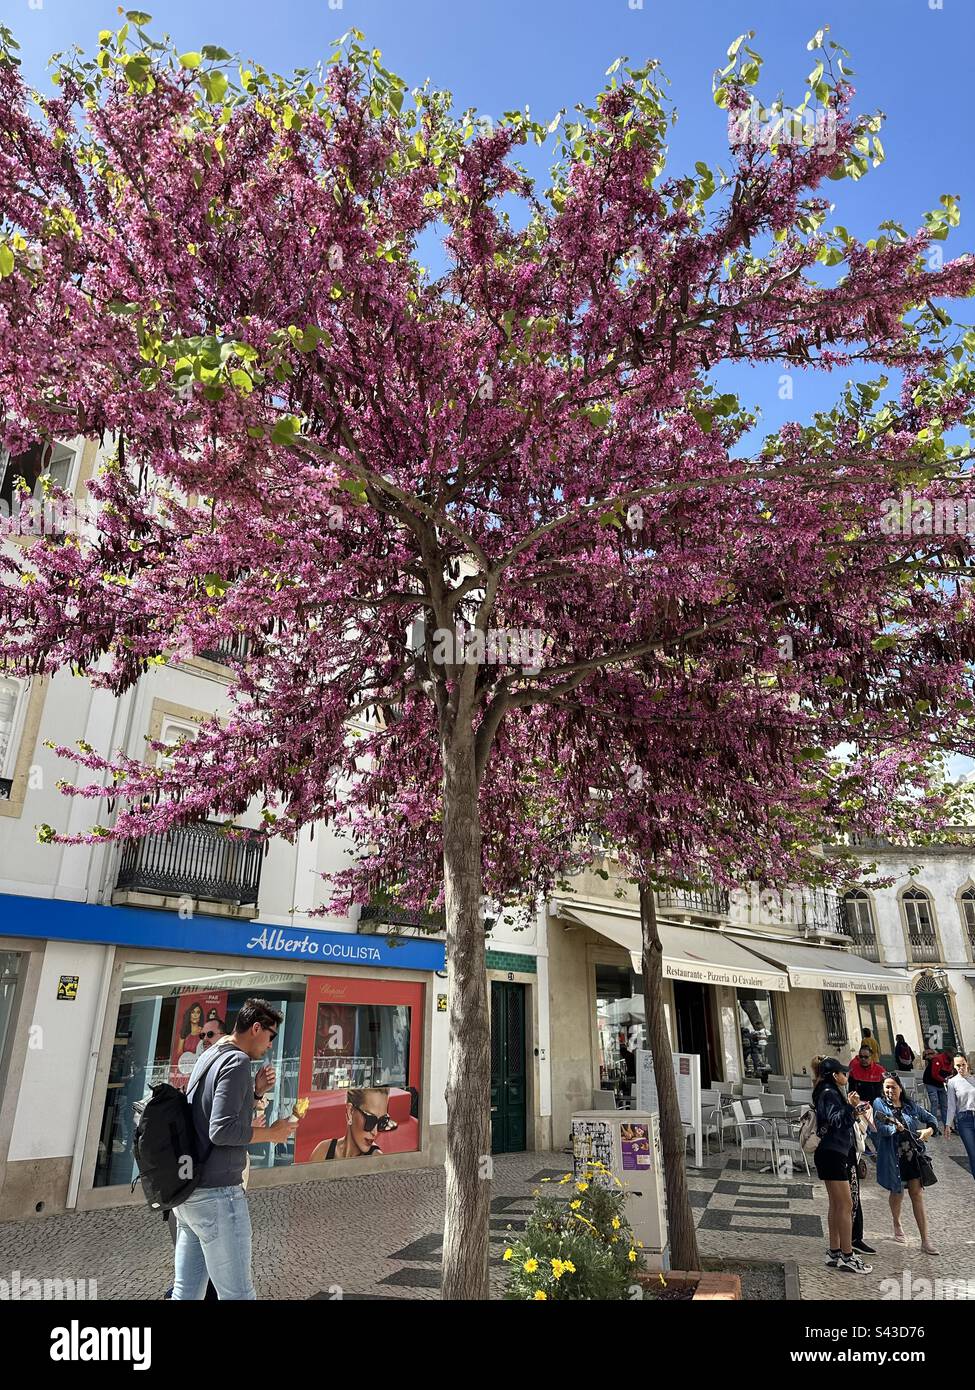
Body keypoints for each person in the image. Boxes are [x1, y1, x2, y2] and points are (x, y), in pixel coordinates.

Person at [171, 998, 299, 1300]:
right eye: (271, 1037)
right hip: (218, 1195)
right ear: (256, 1028)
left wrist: (254, 1093)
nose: (270, 1045)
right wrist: (272, 1133)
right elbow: (221, 1130)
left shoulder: (212, 1054)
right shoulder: (238, 1061)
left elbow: (208, 1115)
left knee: (186, 1293)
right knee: (238, 1294)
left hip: (190, 1193)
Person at [812, 1057, 872, 1274]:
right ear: (834, 1075)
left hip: (832, 1152)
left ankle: (834, 1251)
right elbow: (837, 1120)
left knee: (836, 1205)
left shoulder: (828, 1092)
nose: (846, 1076)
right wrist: (853, 1109)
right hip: (832, 1153)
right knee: (845, 1205)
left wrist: (848, 1105)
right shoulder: (828, 1093)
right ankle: (847, 1255)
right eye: (843, 1073)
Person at [872, 1073, 941, 1255]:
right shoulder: (879, 1104)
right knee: (897, 1193)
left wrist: (929, 1129)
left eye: (893, 1087)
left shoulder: (910, 1106)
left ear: (900, 1089)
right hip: (894, 1158)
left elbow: (931, 1118)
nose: (889, 1090)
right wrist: (895, 1127)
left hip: (912, 1155)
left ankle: (925, 1240)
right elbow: (882, 1129)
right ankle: (896, 1221)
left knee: (917, 1194)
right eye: (886, 1087)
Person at [309, 1086, 398, 1161]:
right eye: (370, 1120)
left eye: (382, 1122)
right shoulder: (323, 1150)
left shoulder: (377, 1161)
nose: (375, 1132)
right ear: (350, 1112)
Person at [945, 1053, 975, 1181]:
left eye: (963, 1064)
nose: (961, 1068)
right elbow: (951, 1105)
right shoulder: (952, 1082)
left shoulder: (973, 1079)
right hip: (964, 1120)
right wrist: (948, 1124)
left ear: (967, 1063)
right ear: (954, 1066)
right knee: (973, 1154)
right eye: (958, 1065)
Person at [922, 1044, 954, 1127]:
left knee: (944, 1105)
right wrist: (945, 1080)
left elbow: (950, 1072)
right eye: (952, 1054)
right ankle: (932, 1126)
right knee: (934, 1103)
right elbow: (934, 1074)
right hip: (931, 1082)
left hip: (940, 1084)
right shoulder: (938, 1059)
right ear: (948, 1053)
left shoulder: (951, 1061)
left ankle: (947, 1126)